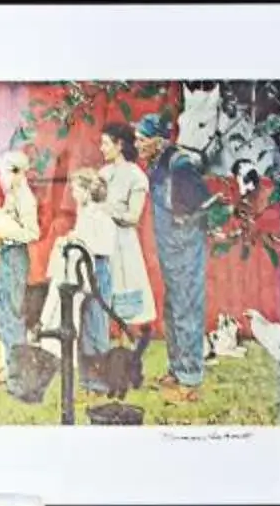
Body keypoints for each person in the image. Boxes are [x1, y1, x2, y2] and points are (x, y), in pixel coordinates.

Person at [137, 111, 213, 402]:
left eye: (143, 139)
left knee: (187, 309)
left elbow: (203, 202)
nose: (138, 144)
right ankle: (176, 368)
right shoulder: (157, 163)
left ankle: (190, 381)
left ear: (158, 140)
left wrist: (187, 218)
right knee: (172, 308)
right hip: (169, 250)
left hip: (184, 248)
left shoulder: (179, 163)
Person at [74, 119, 151, 356]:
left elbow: (133, 217)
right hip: (100, 240)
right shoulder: (104, 173)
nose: (101, 148)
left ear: (119, 145)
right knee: (99, 296)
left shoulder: (136, 176)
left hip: (123, 244)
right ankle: (100, 349)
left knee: (121, 298)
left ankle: (125, 351)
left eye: (106, 143)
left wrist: (108, 210)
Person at [0, 149, 40, 356]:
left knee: (14, 311)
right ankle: (9, 362)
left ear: (17, 172)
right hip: (7, 252)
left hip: (16, 255)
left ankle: (17, 364)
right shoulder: (13, 194)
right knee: (5, 310)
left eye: (5, 172)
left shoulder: (26, 199)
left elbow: (32, 232)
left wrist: (3, 231)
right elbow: (9, 219)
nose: (2, 177)